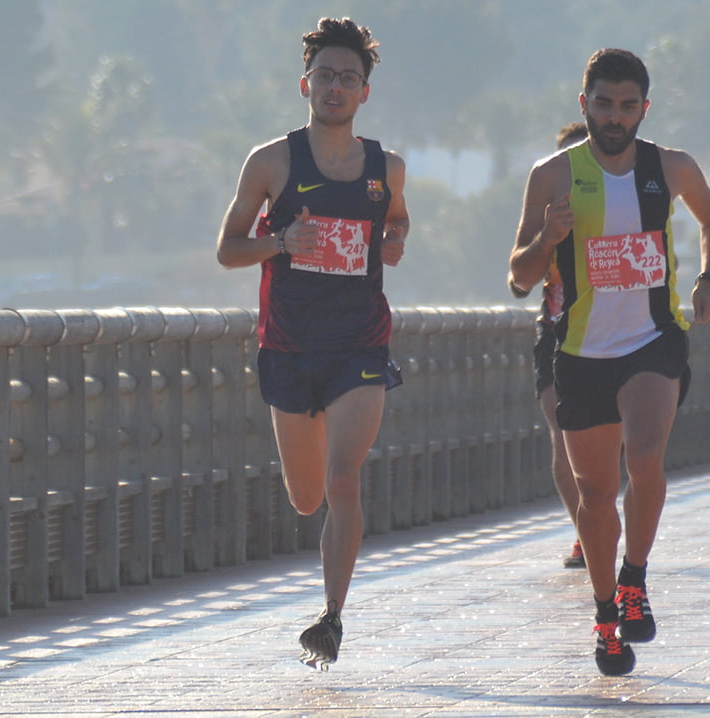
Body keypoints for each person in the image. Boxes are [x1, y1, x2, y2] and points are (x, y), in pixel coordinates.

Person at [509, 48, 710, 676]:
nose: (615, 116)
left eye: (627, 106)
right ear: (585, 104)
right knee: (596, 493)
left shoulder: (671, 166)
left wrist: (709, 280)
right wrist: (547, 240)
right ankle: (607, 617)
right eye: (603, 104)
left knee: (647, 452)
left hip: (654, 339)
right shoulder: (551, 175)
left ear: (644, 109)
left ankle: (635, 576)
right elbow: (519, 277)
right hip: (580, 353)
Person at [216, 17, 409, 670]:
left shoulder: (388, 168)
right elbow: (226, 249)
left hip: (359, 346)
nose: (334, 87)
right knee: (307, 496)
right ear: (306, 84)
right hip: (290, 349)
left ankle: (331, 618)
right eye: (324, 75)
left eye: (347, 78)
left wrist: (394, 240)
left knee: (344, 476)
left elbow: (399, 220)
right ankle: (326, 554)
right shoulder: (271, 161)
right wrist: (279, 243)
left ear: (364, 93)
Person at [509, 122, 589, 569]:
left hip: (616, 331)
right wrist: (547, 237)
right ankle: (584, 532)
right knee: (562, 436)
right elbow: (518, 281)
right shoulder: (547, 207)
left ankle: (607, 522)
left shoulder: (623, 200)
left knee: (606, 439)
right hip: (557, 330)